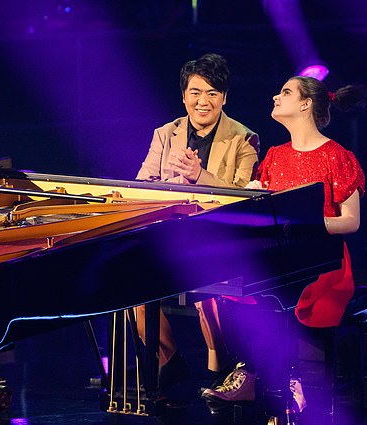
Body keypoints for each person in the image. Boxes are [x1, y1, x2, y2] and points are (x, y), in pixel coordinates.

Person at [201, 76, 367, 407]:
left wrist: (302, 222)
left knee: (287, 293)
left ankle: (296, 381)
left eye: (286, 92)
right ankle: (250, 373)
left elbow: (351, 221)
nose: (276, 96)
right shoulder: (275, 156)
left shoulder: (336, 155)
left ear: (306, 104)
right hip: (283, 258)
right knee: (233, 283)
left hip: (324, 261)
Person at [134, 53, 260, 390]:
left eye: (212, 94)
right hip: (170, 237)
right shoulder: (165, 134)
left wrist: (199, 175)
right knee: (130, 287)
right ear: (184, 95)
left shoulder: (243, 139)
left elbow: (243, 198)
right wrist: (171, 185)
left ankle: (221, 368)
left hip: (217, 241)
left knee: (208, 288)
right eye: (195, 92)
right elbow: (141, 186)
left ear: (224, 98)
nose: (202, 102)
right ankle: (170, 362)